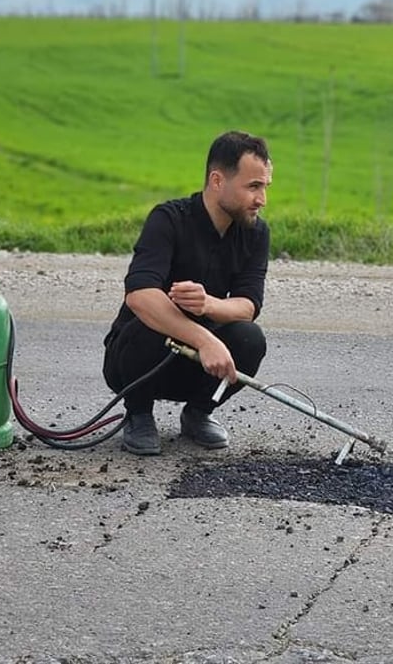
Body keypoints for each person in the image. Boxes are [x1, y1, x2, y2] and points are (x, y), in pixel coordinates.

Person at [103, 130, 273, 455]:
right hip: (134, 361)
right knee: (150, 322)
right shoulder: (168, 219)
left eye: (265, 187)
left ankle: (198, 413)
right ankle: (138, 414)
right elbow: (138, 295)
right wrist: (204, 339)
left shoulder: (256, 233)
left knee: (251, 338)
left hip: (197, 363)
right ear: (217, 180)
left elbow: (248, 305)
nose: (262, 199)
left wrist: (208, 304)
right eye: (253, 186)